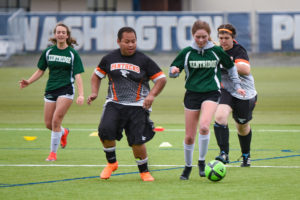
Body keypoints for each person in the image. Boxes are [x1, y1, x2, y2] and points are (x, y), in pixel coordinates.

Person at [87, 27, 167, 182]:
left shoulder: (143, 60)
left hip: (138, 105)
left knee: (137, 140)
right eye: (127, 42)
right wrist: (94, 92)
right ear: (119, 42)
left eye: (133, 41)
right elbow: (96, 76)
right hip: (114, 103)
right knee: (104, 130)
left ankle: (144, 172)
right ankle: (112, 163)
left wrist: (151, 95)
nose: (131, 45)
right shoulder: (109, 58)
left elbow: (161, 79)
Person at [169, 20, 245, 180]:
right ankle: (187, 167)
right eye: (198, 37)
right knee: (189, 136)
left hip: (211, 92)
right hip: (192, 94)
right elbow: (173, 70)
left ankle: (201, 162)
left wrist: (237, 85)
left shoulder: (216, 51)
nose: (201, 40)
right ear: (193, 36)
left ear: (209, 36)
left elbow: (231, 67)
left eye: (204, 37)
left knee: (204, 126)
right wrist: (174, 71)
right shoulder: (187, 52)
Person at [19, 22, 85, 161]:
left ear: (67, 35)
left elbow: (78, 75)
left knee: (56, 120)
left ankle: (52, 154)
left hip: (66, 89)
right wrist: (28, 82)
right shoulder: (48, 52)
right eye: (58, 32)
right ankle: (64, 132)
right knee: (49, 124)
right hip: (50, 89)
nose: (60, 34)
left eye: (63, 32)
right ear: (55, 35)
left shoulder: (72, 53)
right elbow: (40, 70)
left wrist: (81, 94)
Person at [214, 24, 257, 167]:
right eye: (221, 38)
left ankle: (246, 155)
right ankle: (223, 154)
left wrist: (224, 59)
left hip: (244, 92)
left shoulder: (238, 50)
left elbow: (245, 69)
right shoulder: (217, 51)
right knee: (220, 117)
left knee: (242, 126)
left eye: (227, 38)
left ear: (233, 38)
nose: (223, 41)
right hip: (226, 90)